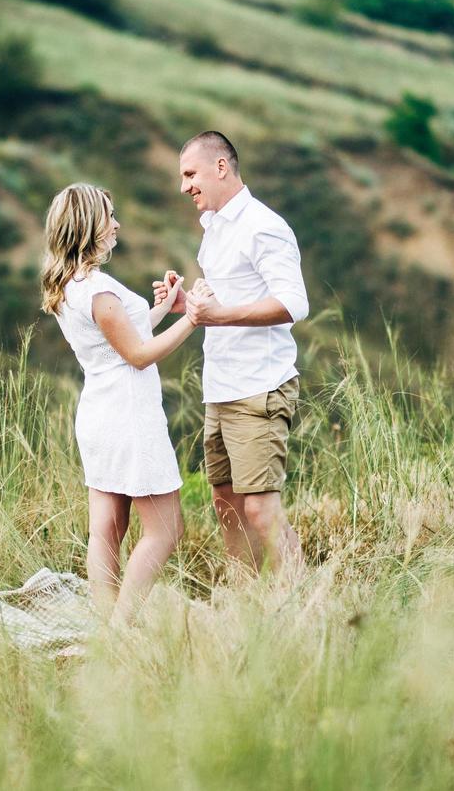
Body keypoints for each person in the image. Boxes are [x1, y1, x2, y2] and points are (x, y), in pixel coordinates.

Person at [153, 130, 309, 574]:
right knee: (226, 503)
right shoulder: (216, 228)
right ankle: (246, 603)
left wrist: (218, 315)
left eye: (190, 174)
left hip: (259, 388)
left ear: (221, 167)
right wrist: (188, 307)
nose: (184, 187)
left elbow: (294, 303)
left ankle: (305, 602)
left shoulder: (264, 226)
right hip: (220, 389)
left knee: (260, 509)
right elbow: (224, 301)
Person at [40, 183, 196, 621]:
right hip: (128, 416)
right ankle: (120, 628)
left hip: (99, 414)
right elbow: (138, 355)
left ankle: (105, 627)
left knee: (107, 529)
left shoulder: (70, 286)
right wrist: (194, 318)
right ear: (90, 225)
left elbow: (119, 341)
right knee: (165, 530)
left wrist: (163, 311)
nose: (116, 224)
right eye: (109, 215)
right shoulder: (100, 290)